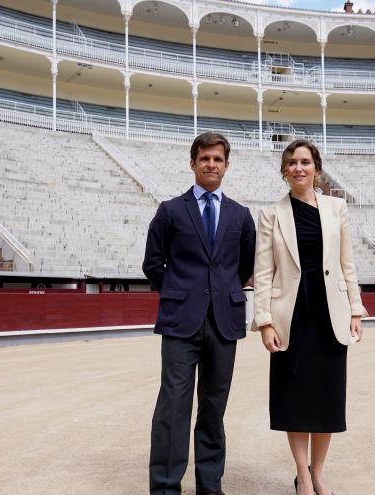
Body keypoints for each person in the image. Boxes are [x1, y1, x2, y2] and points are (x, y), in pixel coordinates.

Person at [143, 132, 256, 495]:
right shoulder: (170, 210)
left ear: (226, 166)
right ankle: (165, 487)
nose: (211, 164)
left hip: (223, 320)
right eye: (205, 158)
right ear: (193, 163)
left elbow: (244, 266)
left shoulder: (241, 215)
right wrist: (181, 292)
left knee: (213, 406)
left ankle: (210, 486)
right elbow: (153, 263)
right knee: (173, 406)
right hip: (180, 321)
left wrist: (219, 293)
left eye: (218, 159)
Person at [251, 139, 366, 495]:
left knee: (327, 398)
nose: (298, 167)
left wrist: (356, 309)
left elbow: (347, 263)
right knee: (296, 400)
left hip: (330, 314)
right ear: (284, 171)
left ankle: (318, 472)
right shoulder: (271, 214)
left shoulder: (336, 208)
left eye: (305, 161)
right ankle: (302, 473)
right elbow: (264, 271)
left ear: (316, 168)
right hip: (292, 318)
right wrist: (265, 321)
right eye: (291, 162)